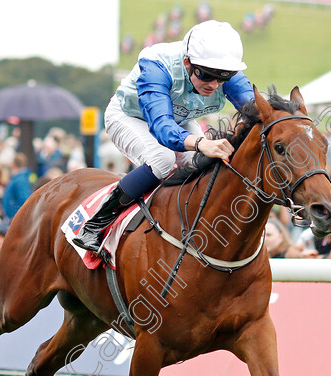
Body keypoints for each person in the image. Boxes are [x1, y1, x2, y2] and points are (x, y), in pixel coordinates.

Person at [73, 20, 254, 254]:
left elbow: (256, 111)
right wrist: (202, 143)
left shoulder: (222, 74)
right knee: (163, 161)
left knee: (198, 166)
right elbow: (162, 126)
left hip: (179, 118)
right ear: (188, 62)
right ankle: (95, 223)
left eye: (224, 78)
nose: (215, 85)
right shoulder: (157, 64)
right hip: (131, 116)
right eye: (207, 76)